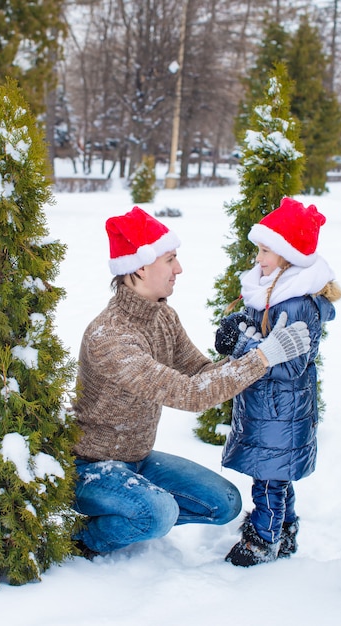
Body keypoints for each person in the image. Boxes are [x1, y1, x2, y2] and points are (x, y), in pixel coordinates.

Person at [71, 205, 311, 559]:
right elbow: (191, 394)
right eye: (170, 259)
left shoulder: (163, 316)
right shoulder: (111, 337)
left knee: (225, 503)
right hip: (91, 468)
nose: (178, 269)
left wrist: (244, 350)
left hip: (137, 459)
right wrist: (263, 358)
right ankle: (82, 539)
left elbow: (199, 373)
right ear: (139, 266)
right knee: (157, 513)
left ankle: (138, 508)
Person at [215, 197, 340, 567]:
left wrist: (241, 342)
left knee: (268, 481)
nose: (259, 258)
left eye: (266, 250)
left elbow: (290, 364)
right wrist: (241, 326)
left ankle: (262, 541)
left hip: (279, 411)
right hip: (269, 408)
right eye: (259, 249)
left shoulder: (296, 301)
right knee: (277, 478)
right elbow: (265, 339)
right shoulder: (274, 289)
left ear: (288, 255)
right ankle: (284, 531)